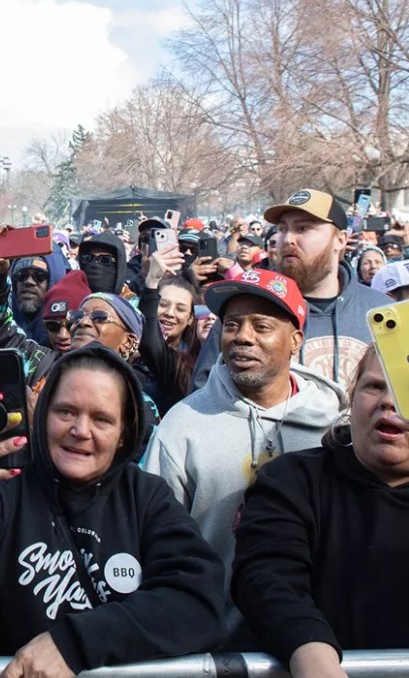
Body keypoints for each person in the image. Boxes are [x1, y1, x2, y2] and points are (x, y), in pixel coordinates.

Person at [0, 344, 226, 678]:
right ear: (42, 415)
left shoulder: (146, 496)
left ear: (124, 433)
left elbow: (196, 601)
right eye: (65, 412)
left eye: (102, 419)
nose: (80, 430)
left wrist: (75, 642)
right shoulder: (3, 482)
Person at [232, 340, 409, 678]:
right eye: (374, 386)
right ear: (352, 396)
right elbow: (268, 579)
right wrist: (313, 659)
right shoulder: (292, 480)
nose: (389, 402)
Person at [143, 268, 346, 643]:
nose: (243, 337)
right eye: (232, 325)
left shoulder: (332, 426)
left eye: (261, 326)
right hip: (212, 649)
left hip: (321, 647)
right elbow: (154, 541)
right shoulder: (184, 425)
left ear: (295, 339)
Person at [194, 189, 390, 387]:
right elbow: (203, 393)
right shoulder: (243, 311)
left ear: (340, 240)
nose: (287, 239)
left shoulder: (380, 310)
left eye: (303, 228)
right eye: (282, 229)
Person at [139, 246, 201, 414]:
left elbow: (151, 346)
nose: (169, 314)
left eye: (180, 309)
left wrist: (152, 281)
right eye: (163, 304)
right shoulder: (127, 351)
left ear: (190, 319)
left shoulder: (187, 365)